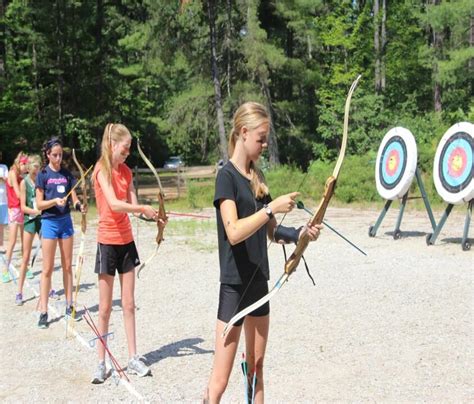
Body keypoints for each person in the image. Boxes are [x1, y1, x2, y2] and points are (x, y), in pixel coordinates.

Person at [204, 102, 322, 403]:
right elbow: (233, 231)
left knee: (256, 368)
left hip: (258, 285)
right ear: (243, 133)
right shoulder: (226, 177)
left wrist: (300, 234)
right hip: (234, 288)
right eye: (261, 137)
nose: (265, 144)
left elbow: (271, 231)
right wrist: (271, 207)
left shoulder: (257, 179)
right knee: (219, 380)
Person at [90, 123, 166, 384]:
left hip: (126, 243)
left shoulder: (126, 172)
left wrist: (154, 217)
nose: (127, 154)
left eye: (129, 150)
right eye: (124, 149)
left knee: (129, 304)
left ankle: (133, 357)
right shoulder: (101, 170)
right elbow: (113, 203)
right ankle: (100, 362)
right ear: (112, 145)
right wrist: (142, 209)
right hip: (107, 242)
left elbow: (132, 207)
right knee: (104, 308)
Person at [35, 138, 85, 328]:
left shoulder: (66, 174)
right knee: (47, 268)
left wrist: (80, 205)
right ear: (47, 155)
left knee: (67, 266)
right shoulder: (43, 174)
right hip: (49, 222)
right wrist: (54, 201)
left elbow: (74, 196)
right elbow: (39, 204)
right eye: (54, 155)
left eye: (60, 155)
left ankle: (69, 305)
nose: (58, 158)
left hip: (65, 222)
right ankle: (43, 311)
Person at [15, 155, 42, 305]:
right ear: (30, 168)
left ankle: (48, 287)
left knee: (47, 255)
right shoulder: (24, 183)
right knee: (26, 256)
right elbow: (23, 207)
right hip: (30, 220)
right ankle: (19, 291)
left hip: (41, 220)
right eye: (34, 169)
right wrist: (35, 211)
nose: (36, 171)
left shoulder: (40, 180)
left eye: (38, 168)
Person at [2, 152, 28, 283]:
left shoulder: (21, 175)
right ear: (19, 163)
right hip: (14, 210)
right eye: (24, 164)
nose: (26, 167)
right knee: (12, 242)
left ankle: (26, 268)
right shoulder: (12, 173)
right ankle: (5, 270)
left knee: (25, 241)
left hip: (22, 209)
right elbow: (18, 194)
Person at [0, 152, 8, 254]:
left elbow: (7, 180)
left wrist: (1, 178)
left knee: (1, 225)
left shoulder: (4, 167)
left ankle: (1, 245)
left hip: (3, 200)